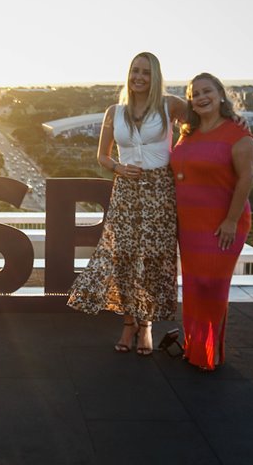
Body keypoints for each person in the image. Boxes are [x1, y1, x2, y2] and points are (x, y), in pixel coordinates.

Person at [66, 52, 188, 356]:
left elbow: (204, 119)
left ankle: (146, 324)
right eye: (135, 71)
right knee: (122, 257)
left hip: (159, 190)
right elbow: (102, 156)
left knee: (151, 258)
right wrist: (118, 168)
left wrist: (232, 119)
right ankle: (128, 322)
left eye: (146, 72)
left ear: (155, 76)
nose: (139, 77)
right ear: (128, 74)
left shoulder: (169, 105)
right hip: (126, 191)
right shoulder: (114, 111)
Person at [170, 73, 253, 371]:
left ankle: (210, 352)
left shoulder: (238, 134)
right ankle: (194, 347)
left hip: (224, 221)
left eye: (207, 91)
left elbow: (247, 178)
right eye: (194, 93)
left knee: (212, 285)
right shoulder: (187, 131)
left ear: (221, 94)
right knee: (194, 285)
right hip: (189, 223)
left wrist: (231, 220)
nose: (201, 97)